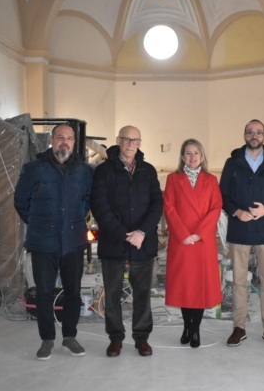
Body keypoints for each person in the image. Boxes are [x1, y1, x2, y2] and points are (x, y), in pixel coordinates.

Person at [14, 124, 93, 361]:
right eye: (60, 137)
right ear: (52, 139)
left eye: (69, 138)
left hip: (73, 242)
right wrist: (40, 223)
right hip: (42, 243)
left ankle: (69, 337)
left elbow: (87, 202)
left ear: (74, 142)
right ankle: (47, 339)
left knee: (73, 293)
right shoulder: (33, 169)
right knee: (45, 293)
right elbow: (21, 202)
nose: (65, 142)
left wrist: (74, 220)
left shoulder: (84, 171)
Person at [90, 125, 163, 358]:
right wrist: (124, 234)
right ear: (118, 140)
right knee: (112, 293)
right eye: (126, 139)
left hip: (143, 241)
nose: (130, 143)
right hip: (114, 241)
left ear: (140, 143)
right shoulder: (103, 170)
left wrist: (141, 232)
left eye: (135, 140)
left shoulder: (148, 171)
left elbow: (157, 205)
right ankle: (115, 338)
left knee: (142, 292)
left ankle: (141, 338)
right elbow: (100, 207)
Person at [220, 119, 264, 347]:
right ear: (244, 135)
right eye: (250, 132)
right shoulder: (232, 163)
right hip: (240, 230)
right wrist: (236, 211)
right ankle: (239, 327)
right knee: (239, 281)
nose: (254, 136)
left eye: (258, 132)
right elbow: (223, 196)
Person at [164, 139, 223, 348]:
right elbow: (169, 207)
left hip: (202, 242)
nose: (192, 157)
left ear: (202, 156)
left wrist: (199, 233)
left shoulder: (211, 180)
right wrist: (183, 234)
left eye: (196, 153)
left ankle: (195, 329)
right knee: (184, 287)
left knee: (199, 287)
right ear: (182, 157)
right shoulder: (173, 179)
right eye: (188, 153)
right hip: (182, 242)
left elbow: (216, 208)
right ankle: (186, 326)